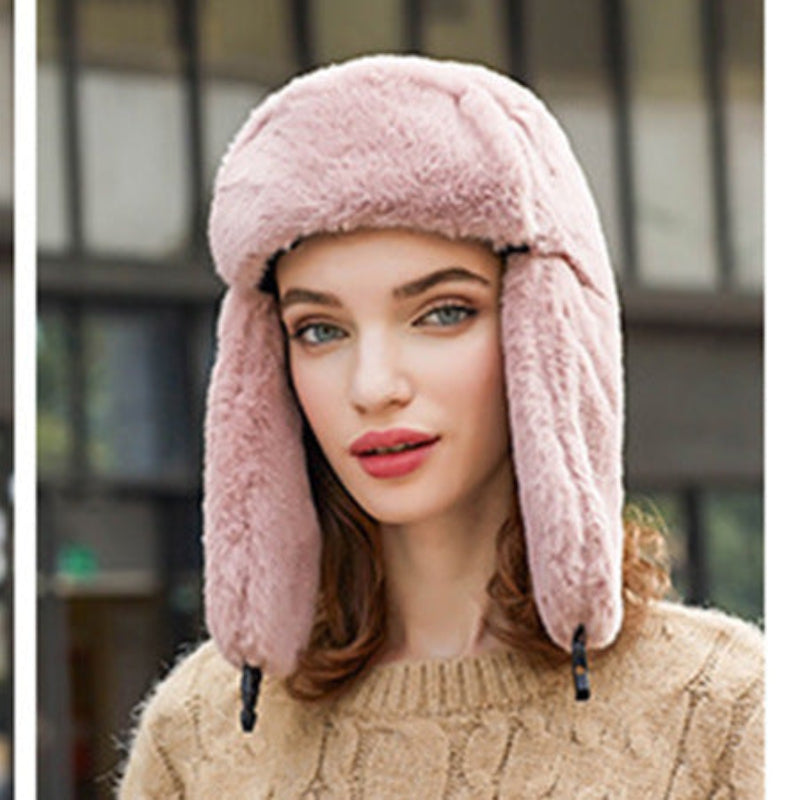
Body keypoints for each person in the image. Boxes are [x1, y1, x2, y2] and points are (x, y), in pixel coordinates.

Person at [117, 54, 763, 798]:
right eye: (320, 330)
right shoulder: (199, 732)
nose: (374, 386)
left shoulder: (726, 715)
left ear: (543, 334)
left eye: (443, 313)